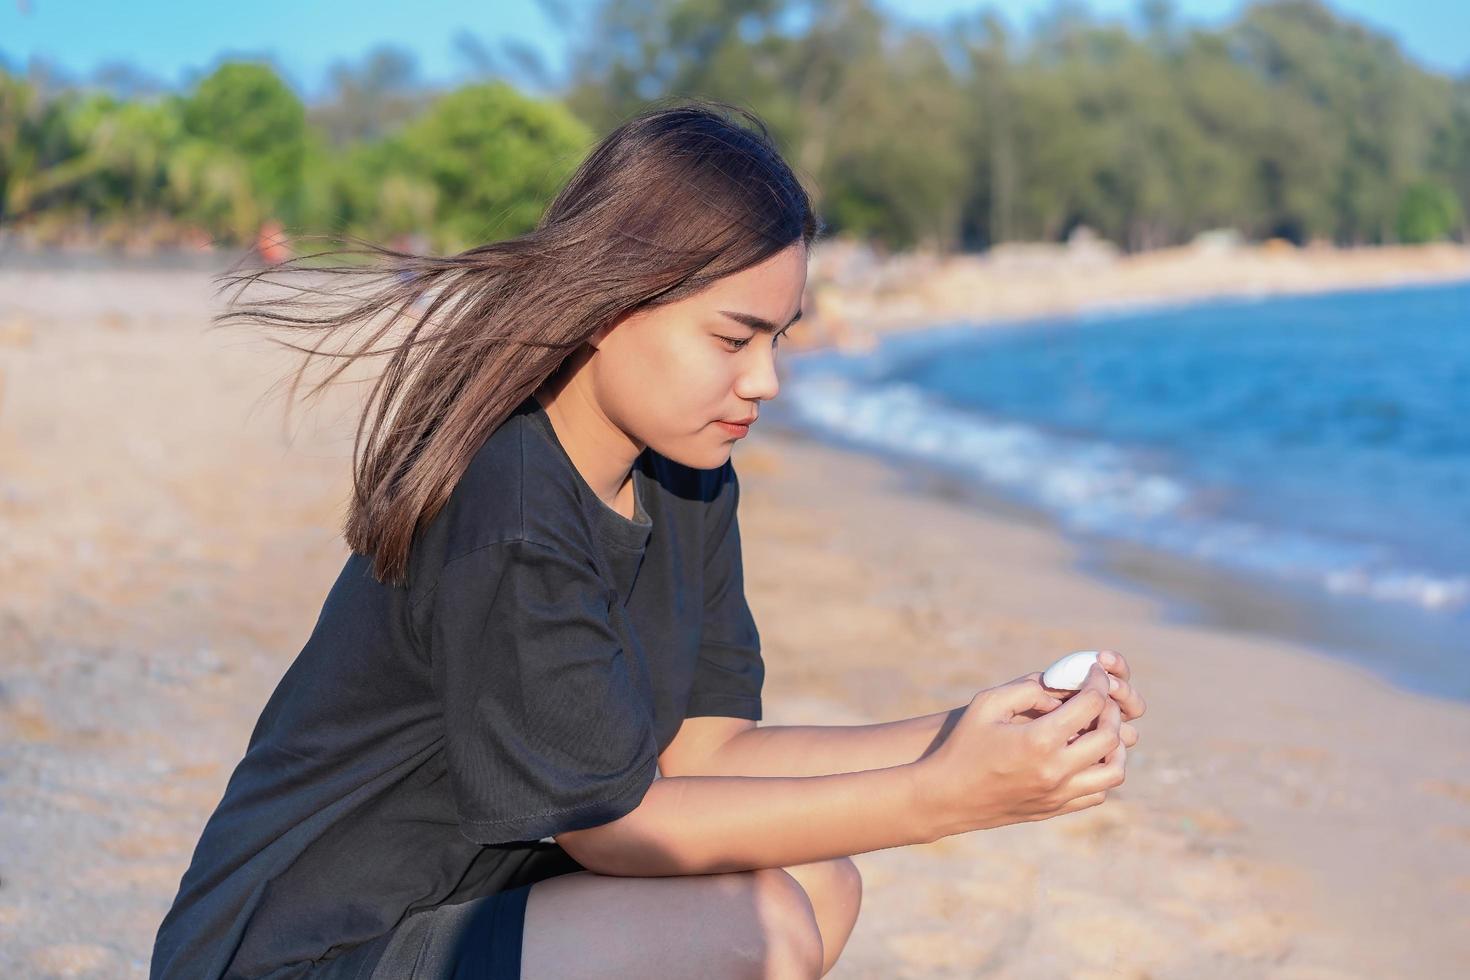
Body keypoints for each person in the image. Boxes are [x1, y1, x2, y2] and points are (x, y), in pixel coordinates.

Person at [151, 100, 1146, 980]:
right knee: (740, 932)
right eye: (731, 337)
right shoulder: (512, 510)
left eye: (778, 338)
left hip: (444, 909)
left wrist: (975, 735)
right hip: (297, 953)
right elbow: (618, 829)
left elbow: (705, 748)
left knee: (813, 881)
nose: (764, 381)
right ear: (608, 304)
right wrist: (948, 797)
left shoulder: (685, 477)